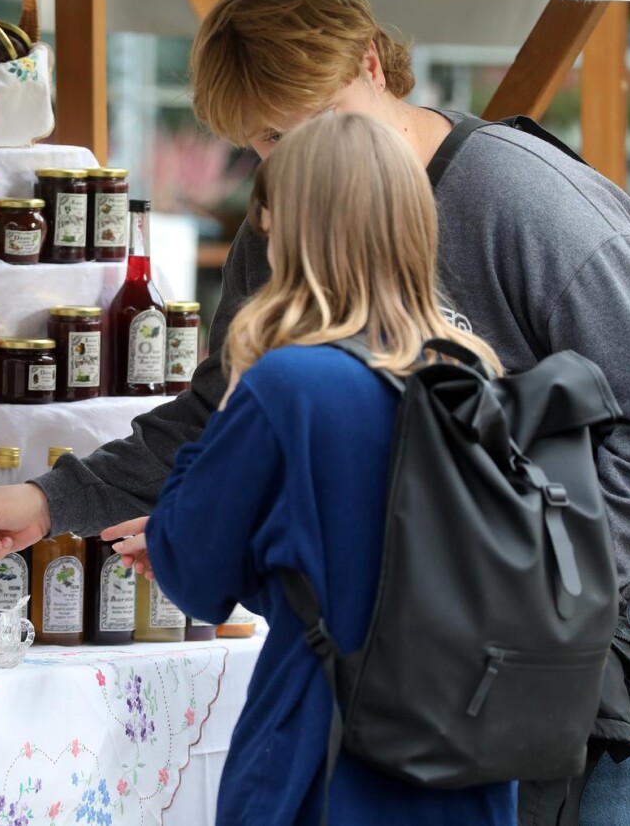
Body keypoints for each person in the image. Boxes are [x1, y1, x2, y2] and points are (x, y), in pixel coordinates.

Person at [0, 0, 630, 824]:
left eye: (307, 123)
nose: (293, 158)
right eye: (267, 140)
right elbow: (214, 419)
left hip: (591, 651)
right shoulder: (281, 221)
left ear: (368, 64)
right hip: (404, 662)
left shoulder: (526, 203)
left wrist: (519, 579)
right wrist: (51, 499)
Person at [116, 109, 514, 825]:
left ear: (290, 230)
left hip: (328, 756)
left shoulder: (287, 385)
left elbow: (196, 578)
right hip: (465, 761)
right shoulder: (473, 374)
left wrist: (227, 395)